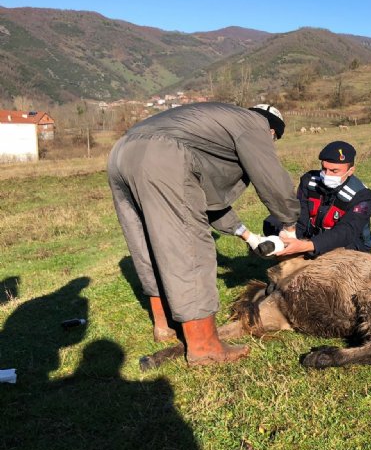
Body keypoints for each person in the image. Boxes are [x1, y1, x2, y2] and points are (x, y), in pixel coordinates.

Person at [107, 102, 300, 366]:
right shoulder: (255, 124)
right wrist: (289, 225)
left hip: (122, 152)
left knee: (147, 243)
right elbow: (272, 179)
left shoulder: (209, 129)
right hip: (162, 155)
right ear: (272, 132)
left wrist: (249, 237)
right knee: (189, 247)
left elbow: (207, 200)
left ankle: (164, 326)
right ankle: (205, 347)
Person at [264, 140, 371, 257]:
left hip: (349, 243)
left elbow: (346, 232)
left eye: (334, 171)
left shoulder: (362, 196)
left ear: (350, 171)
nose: (327, 175)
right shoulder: (308, 181)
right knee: (272, 221)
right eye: (324, 168)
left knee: (334, 256)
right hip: (314, 235)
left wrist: (308, 246)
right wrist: (289, 233)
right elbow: (301, 215)